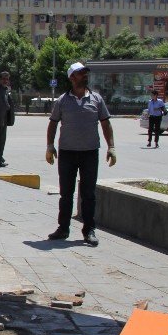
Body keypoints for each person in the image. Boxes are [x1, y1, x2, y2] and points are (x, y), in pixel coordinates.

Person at [46, 62, 116, 247]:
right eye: (80, 73)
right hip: (67, 153)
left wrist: (111, 147)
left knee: (88, 194)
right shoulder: (62, 100)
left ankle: (89, 230)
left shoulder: (96, 99)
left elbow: (105, 123)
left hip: (89, 153)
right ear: (71, 77)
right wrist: (50, 146)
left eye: (85, 73)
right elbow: (53, 123)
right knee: (66, 193)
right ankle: (63, 228)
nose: (84, 76)